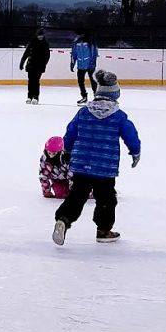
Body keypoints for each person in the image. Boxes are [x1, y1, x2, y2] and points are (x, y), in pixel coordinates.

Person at [52, 70, 141, 245]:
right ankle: (103, 230)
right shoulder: (119, 116)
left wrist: (66, 151)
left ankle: (63, 219)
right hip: (105, 167)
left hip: (81, 164)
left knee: (77, 195)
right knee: (106, 199)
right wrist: (135, 151)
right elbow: (130, 135)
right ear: (115, 94)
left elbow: (70, 132)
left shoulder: (83, 113)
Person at [19, 28, 51, 105]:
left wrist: (44, 64)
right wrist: (22, 63)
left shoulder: (45, 44)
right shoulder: (32, 42)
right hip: (31, 65)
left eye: (41, 36)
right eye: (39, 36)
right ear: (37, 35)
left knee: (36, 81)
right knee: (30, 81)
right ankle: (29, 96)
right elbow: (26, 53)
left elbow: (47, 56)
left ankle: (36, 97)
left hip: (39, 66)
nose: (40, 37)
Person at [69, 30, 100, 106]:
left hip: (90, 65)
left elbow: (94, 53)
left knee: (93, 81)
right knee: (80, 81)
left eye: (79, 34)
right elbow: (74, 54)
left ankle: (97, 97)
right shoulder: (76, 43)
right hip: (80, 65)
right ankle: (84, 97)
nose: (78, 36)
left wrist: (93, 62)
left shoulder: (90, 42)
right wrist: (72, 63)